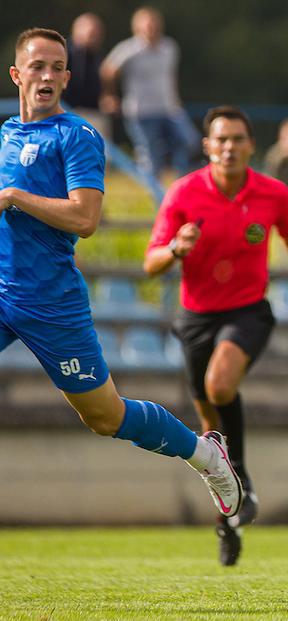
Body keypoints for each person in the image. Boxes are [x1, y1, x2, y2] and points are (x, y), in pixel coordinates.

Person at [1, 28, 241, 525]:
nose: (46, 75)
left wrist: (16, 197)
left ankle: (205, 455)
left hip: (50, 303)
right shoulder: (3, 135)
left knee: (105, 417)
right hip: (2, 292)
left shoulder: (77, 136)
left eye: (55, 67)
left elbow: (85, 219)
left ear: (67, 77)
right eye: (37, 65)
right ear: (16, 74)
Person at [144, 105, 288, 567]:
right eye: (220, 140)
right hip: (196, 317)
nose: (229, 147)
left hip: (248, 311)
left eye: (237, 139)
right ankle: (228, 517)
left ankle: (244, 485)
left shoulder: (271, 193)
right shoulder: (184, 193)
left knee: (220, 384)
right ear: (208, 146)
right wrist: (174, 249)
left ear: (251, 146)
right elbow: (150, 262)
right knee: (211, 435)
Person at [100, 6, 199, 179]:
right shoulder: (129, 49)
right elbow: (108, 70)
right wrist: (109, 95)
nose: (151, 28)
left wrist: (176, 97)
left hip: (169, 108)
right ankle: (158, 199)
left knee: (190, 141)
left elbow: (170, 76)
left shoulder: (170, 47)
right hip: (141, 112)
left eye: (154, 24)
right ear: (137, 27)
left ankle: (181, 181)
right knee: (152, 158)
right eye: (147, 25)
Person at [64, 13, 111, 141]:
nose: (94, 36)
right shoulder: (62, 54)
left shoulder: (100, 57)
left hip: (95, 114)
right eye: (91, 32)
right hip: (68, 112)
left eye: (97, 33)